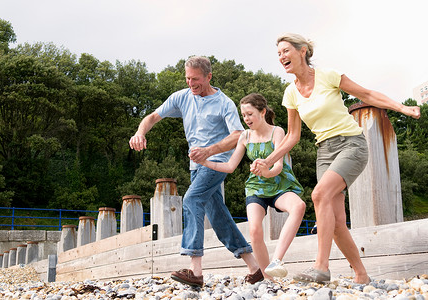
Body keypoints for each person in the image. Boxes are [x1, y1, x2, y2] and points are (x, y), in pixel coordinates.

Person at [251, 33, 421, 285]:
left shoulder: (328, 75)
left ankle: (321, 267)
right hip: (324, 152)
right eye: (278, 54)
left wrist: (403, 108)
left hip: (351, 144)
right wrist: (268, 160)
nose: (281, 57)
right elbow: (292, 136)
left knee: (319, 195)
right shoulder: (291, 94)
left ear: (302, 51)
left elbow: (367, 94)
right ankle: (361, 274)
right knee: (337, 221)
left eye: (285, 51)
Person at [129, 56, 263, 287]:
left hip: (217, 163)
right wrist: (140, 132)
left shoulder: (224, 103)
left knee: (191, 200)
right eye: (188, 78)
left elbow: (237, 136)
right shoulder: (181, 97)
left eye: (196, 79)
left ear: (209, 76)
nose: (191, 83)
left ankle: (195, 271)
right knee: (219, 217)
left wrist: (209, 151)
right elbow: (152, 117)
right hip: (196, 166)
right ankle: (254, 267)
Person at [199, 93, 306, 280]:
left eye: (250, 114)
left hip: (280, 184)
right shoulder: (244, 136)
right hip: (256, 187)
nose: (246, 119)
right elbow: (230, 166)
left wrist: (267, 172)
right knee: (255, 230)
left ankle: (277, 260)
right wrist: (205, 161)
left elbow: (278, 166)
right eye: (244, 115)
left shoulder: (277, 132)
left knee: (299, 206)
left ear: (263, 112)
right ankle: (267, 278)